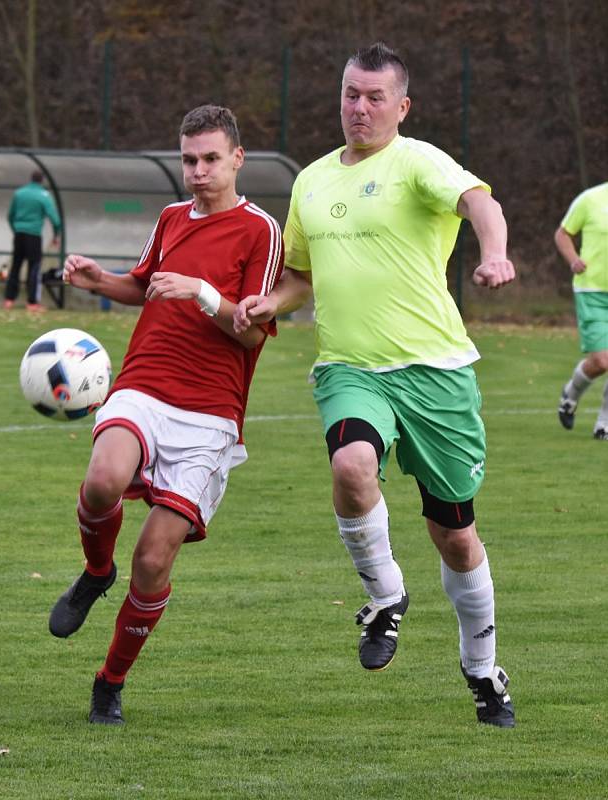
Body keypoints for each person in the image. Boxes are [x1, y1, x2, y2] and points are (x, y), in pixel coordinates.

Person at [235, 43, 516, 727]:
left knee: (454, 536)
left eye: (373, 97)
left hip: (436, 374)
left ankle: (481, 669)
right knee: (351, 465)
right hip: (350, 369)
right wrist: (271, 303)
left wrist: (495, 254)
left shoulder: (416, 160)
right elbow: (300, 274)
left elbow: (479, 202)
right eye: (349, 94)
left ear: (401, 106)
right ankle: (386, 596)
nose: (358, 108)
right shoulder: (311, 183)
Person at [48, 105, 283, 725]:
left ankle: (109, 682)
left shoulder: (261, 230)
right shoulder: (171, 218)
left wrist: (203, 294)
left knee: (153, 559)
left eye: (210, 159)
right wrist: (101, 280)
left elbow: (252, 334)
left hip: (209, 414)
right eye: (188, 160)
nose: (198, 171)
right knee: (102, 479)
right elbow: (146, 284)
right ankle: (97, 571)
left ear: (238, 157)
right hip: (143, 383)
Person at [554, 182, 608, 439]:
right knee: (602, 361)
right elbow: (563, 234)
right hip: (592, 292)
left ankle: (604, 424)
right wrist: (574, 259)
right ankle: (570, 394)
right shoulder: (591, 199)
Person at [3, 170, 61, 311]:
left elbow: (10, 215)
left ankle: (9, 300)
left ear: (31, 179)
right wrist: (56, 235)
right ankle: (32, 302)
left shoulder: (19, 193)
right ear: (42, 181)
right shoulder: (44, 195)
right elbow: (55, 219)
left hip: (19, 234)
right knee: (34, 268)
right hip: (34, 235)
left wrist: (16, 229)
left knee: (15, 266)